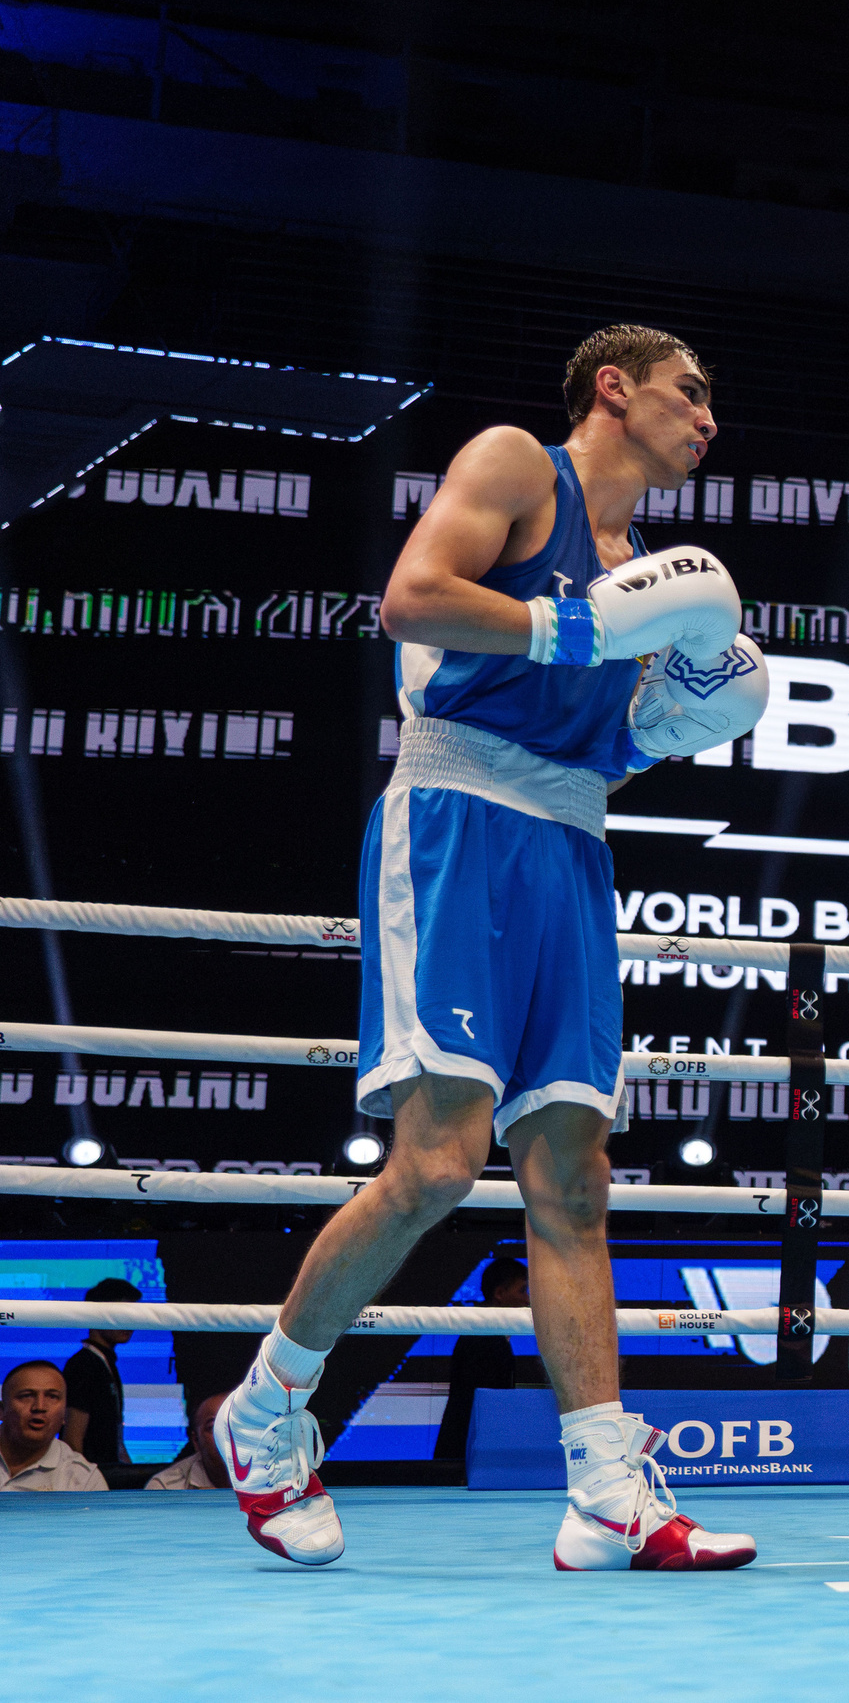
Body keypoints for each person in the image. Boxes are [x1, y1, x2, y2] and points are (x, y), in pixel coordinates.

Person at [213, 324, 770, 1573]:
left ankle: (605, 1492)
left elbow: (610, 735)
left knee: (572, 1177)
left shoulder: (651, 578)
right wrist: (574, 629)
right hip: (457, 817)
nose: (707, 418)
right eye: (692, 392)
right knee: (436, 1163)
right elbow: (410, 600)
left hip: (570, 844)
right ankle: (264, 1409)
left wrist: (672, 718)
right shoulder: (523, 468)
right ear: (614, 391)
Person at [432, 1257, 530, 1461]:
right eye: (522, 1291)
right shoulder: (483, 1339)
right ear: (500, 1294)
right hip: (469, 1458)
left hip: (472, 1456)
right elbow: (479, 1408)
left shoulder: (484, 1335)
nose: (528, 1300)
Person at [61, 1276, 138, 1467]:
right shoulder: (84, 1364)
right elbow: (72, 1440)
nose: (130, 1322)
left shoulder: (104, 1362)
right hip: (90, 1484)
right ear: (95, 1314)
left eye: (134, 1314)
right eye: (121, 1313)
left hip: (108, 1477)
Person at [1, 1361, 109, 1492]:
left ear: (65, 1414)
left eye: (52, 1397)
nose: (39, 1407)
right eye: (27, 1396)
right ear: (2, 1410)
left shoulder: (83, 1479)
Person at [146, 1395, 232, 1491]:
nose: (229, 1433)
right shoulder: (165, 1488)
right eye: (213, 1427)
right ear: (196, 1440)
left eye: (237, 1425)